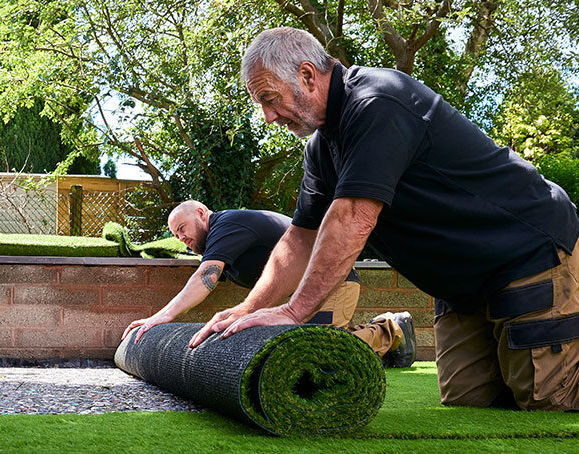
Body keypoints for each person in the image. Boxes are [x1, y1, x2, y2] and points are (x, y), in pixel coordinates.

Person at [189, 27, 579, 411]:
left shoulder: (378, 103)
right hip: (464, 288)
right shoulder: (321, 148)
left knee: (549, 398)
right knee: (469, 399)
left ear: (307, 75)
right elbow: (299, 238)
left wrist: (294, 312)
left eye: (270, 99)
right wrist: (249, 310)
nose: (269, 117)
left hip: (527, 251)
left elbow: (353, 218)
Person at [122, 201, 417, 367]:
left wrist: (163, 316)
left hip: (332, 282)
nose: (181, 238)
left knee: (319, 353)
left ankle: (390, 330)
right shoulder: (223, 244)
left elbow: (204, 278)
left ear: (201, 213)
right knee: (298, 354)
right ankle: (381, 339)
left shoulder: (226, 224)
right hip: (300, 298)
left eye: (182, 229)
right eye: (175, 235)